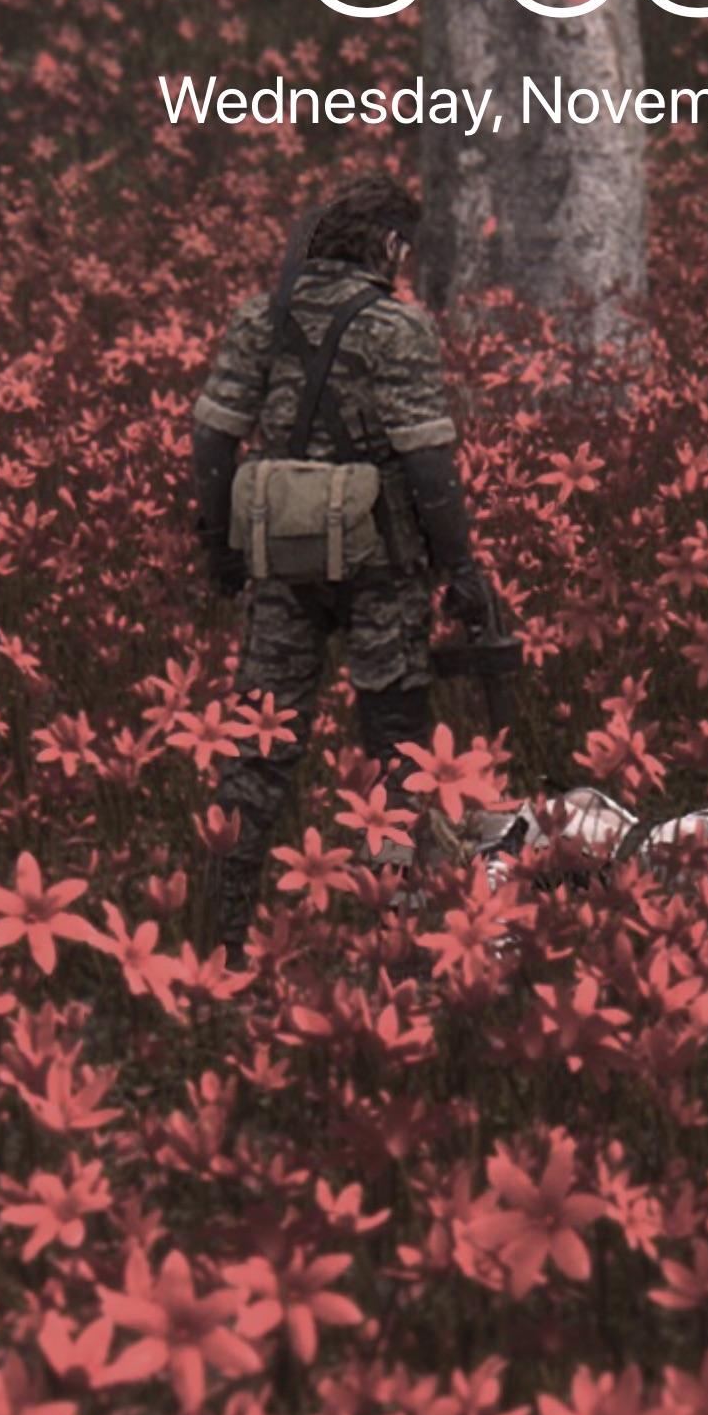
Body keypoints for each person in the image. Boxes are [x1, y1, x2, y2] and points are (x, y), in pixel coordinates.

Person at [190, 171, 498, 959]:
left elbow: (213, 438)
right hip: (383, 565)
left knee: (258, 746)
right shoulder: (397, 327)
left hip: (281, 560)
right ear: (389, 244)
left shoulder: (260, 317)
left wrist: (222, 543)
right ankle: (396, 929)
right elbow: (427, 464)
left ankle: (219, 933)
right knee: (396, 747)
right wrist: (460, 567)